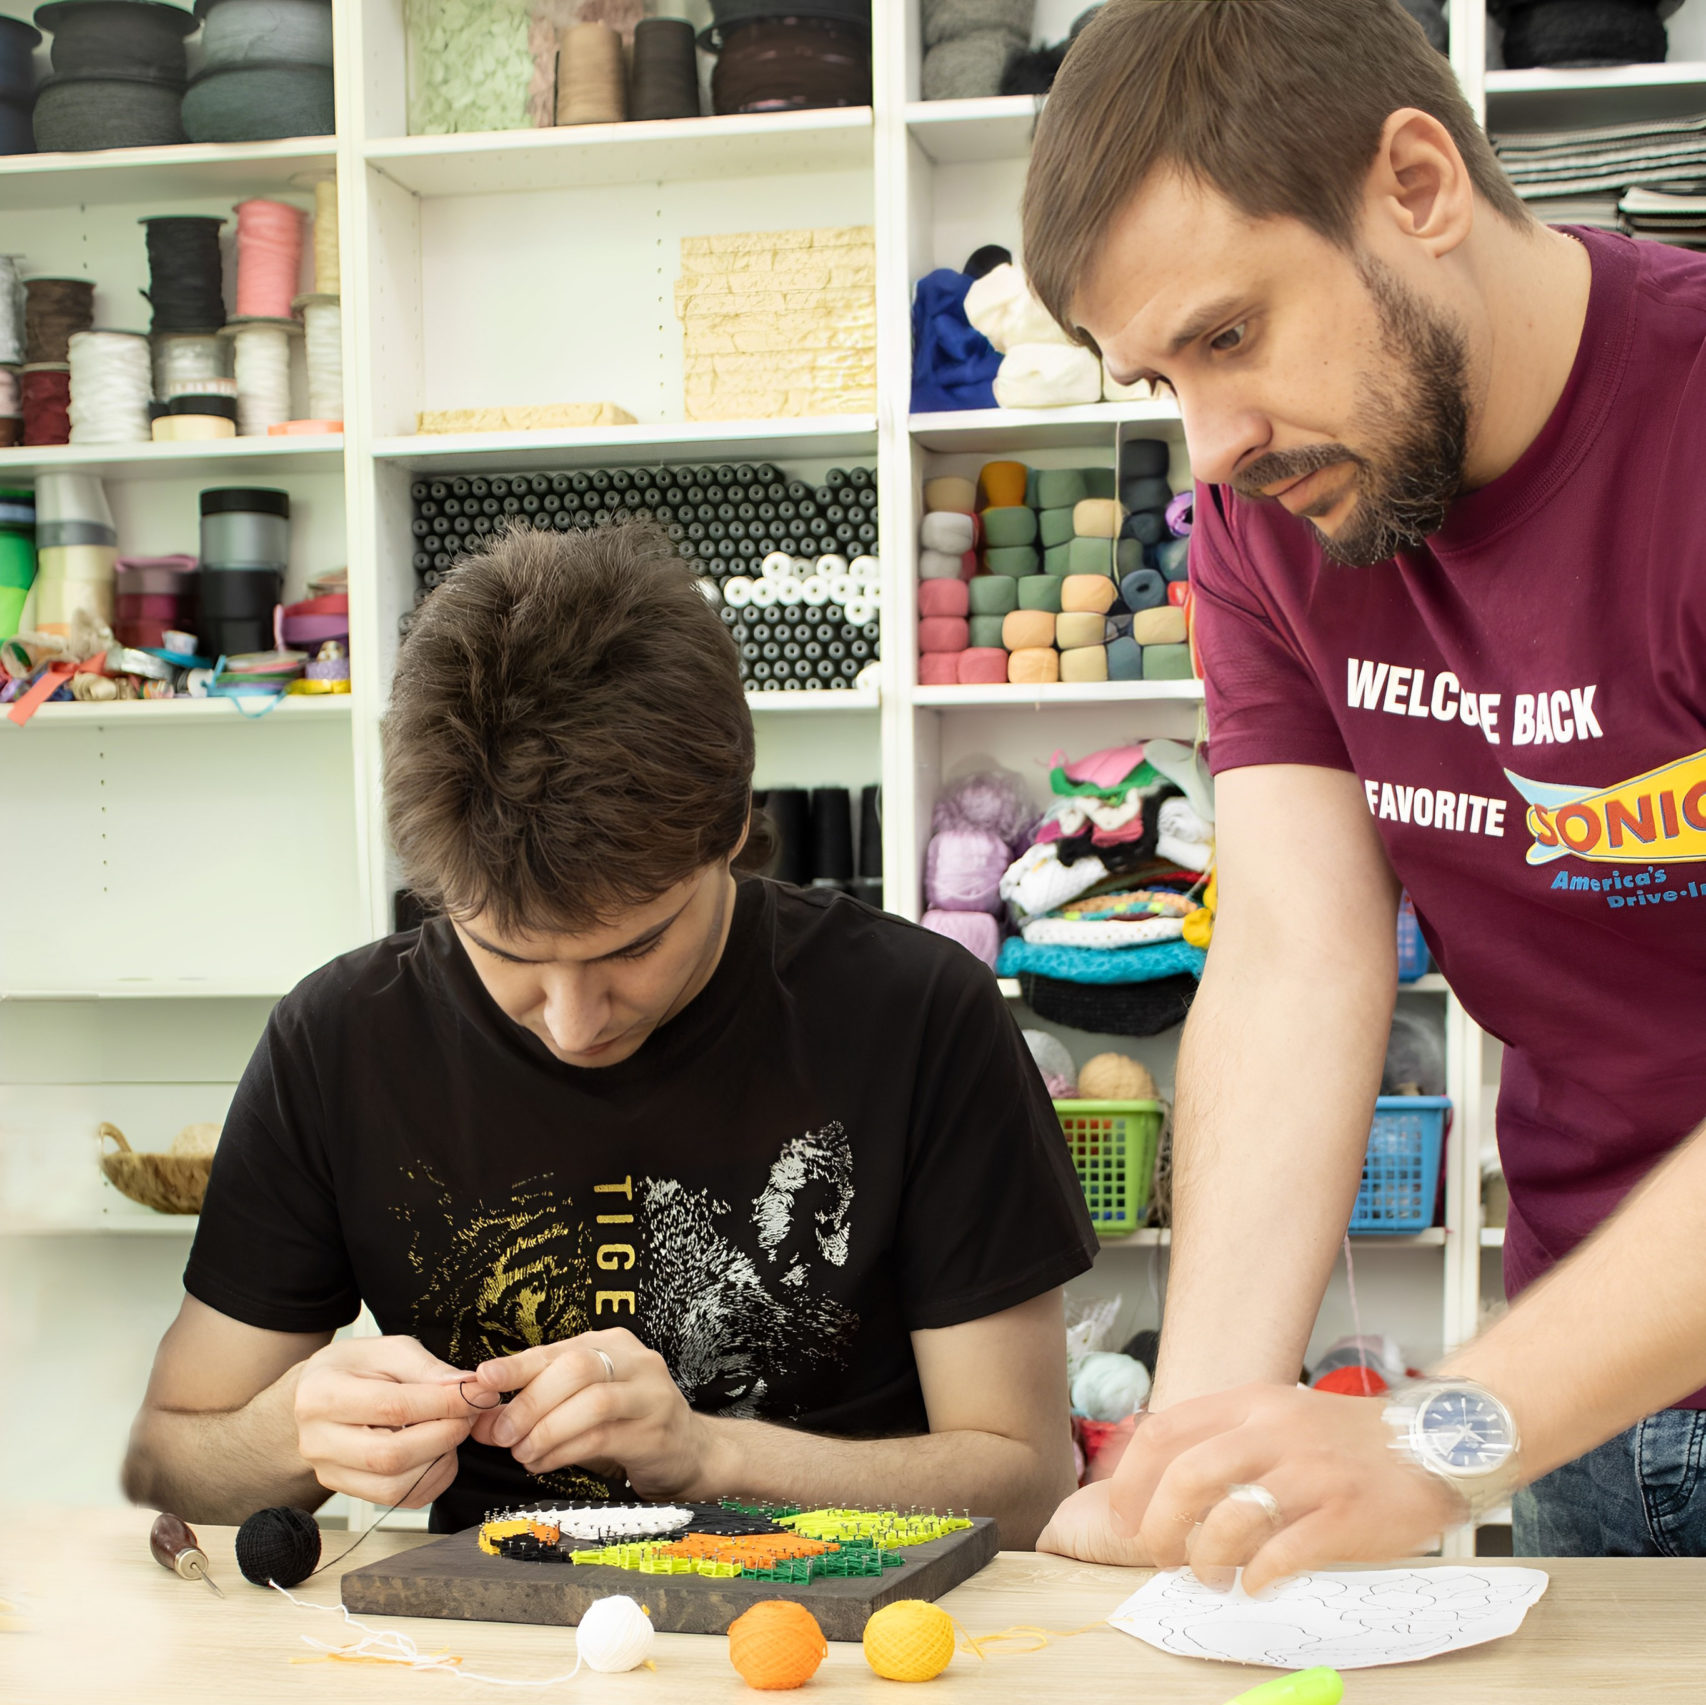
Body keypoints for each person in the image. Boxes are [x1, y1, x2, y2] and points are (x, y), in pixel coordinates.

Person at [1021, 0, 1706, 1581]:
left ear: (1416, 184)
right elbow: (1292, 956)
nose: (1211, 446)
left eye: (1228, 336)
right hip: (1591, 1378)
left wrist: (1436, 1436)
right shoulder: (1268, 515)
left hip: (1524, 1394)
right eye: (1160, 380)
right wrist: (1187, 1463)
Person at [123, 520, 1094, 1546]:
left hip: (848, 1626)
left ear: (731, 827)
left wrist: (713, 1456)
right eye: (506, 955)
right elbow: (167, 1461)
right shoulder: (338, 1042)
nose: (572, 1023)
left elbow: (1029, 1481)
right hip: (474, 1631)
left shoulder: (921, 1014)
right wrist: (294, 1432)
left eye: (633, 948)